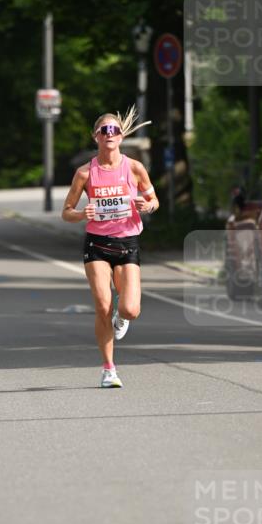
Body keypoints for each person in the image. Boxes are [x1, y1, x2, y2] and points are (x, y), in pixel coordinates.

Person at [61, 106, 159, 388]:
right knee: (102, 304)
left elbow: (154, 200)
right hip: (97, 244)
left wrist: (147, 205)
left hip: (127, 241)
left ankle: (121, 316)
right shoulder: (84, 173)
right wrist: (82, 214)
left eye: (114, 130)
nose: (110, 134)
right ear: (96, 137)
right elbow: (66, 211)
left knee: (131, 309)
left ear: (122, 135)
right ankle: (109, 369)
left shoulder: (135, 168)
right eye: (104, 130)